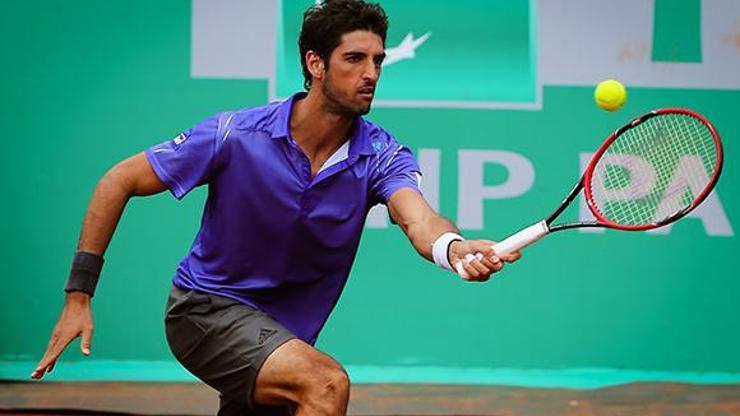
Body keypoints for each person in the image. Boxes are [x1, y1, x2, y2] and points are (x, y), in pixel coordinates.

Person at [31, 0, 520, 414]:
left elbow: (419, 218)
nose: (371, 74)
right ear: (315, 63)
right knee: (324, 384)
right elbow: (117, 180)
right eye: (354, 59)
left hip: (282, 333)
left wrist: (452, 248)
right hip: (206, 310)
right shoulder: (234, 135)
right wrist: (79, 295)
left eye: (378, 60)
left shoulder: (382, 154)